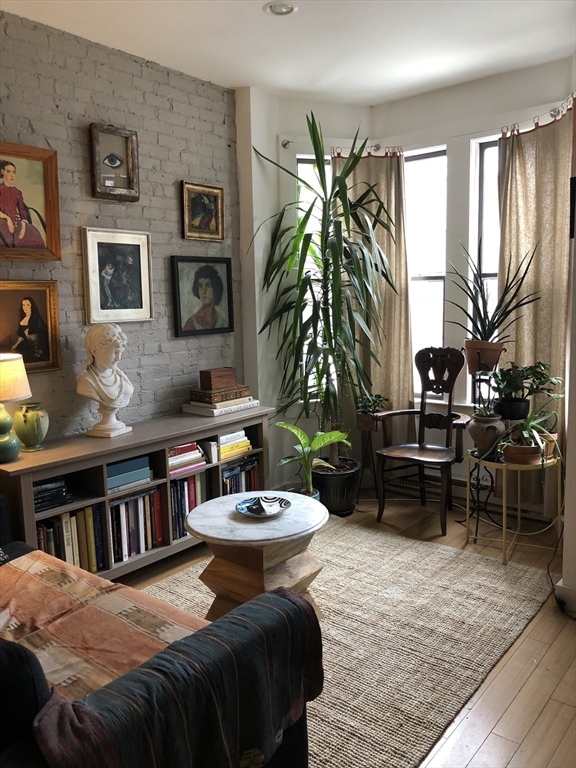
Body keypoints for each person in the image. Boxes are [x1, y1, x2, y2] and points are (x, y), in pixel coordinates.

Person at [76, 323, 134, 411]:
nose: (119, 358)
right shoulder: (86, 381)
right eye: (115, 352)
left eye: (120, 353)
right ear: (95, 351)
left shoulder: (120, 376)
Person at [0, 160, 45, 249]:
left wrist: (23, 227)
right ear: (2, 172)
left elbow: (22, 210)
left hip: (18, 221)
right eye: (8, 171)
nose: (12, 175)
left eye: (14, 172)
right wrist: (8, 219)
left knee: (33, 234)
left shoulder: (17, 192)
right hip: (2, 219)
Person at [183, 264, 226, 331]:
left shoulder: (223, 322)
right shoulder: (191, 323)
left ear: (215, 288)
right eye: (200, 286)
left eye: (208, 285)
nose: (204, 291)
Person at [10, 296, 48, 362]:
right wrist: (15, 345)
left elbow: (42, 333)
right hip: (24, 345)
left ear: (32, 306)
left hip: (33, 346)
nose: (25, 307)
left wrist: (29, 335)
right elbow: (22, 336)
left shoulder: (36, 319)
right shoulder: (22, 319)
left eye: (28, 305)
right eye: (23, 305)